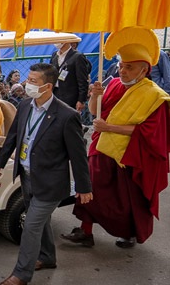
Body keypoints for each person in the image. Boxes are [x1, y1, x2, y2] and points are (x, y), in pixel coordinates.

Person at [61, 28, 170, 249]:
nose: (123, 71)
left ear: (144, 69)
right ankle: (85, 230)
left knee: (127, 198)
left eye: (129, 67)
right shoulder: (113, 84)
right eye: (121, 66)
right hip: (101, 146)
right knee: (89, 187)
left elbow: (148, 132)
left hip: (128, 153)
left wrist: (109, 127)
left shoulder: (154, 96)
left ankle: (128, 233)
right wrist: (94, 96)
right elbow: (94, 114)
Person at [0, 63, 92, 285]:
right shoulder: (26, 105)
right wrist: (1, 161)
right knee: (42, 222)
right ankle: (47, 257)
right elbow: (14, 135)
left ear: (48, 86)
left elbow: (78, 156)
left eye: (33, 81)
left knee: (31, 225)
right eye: (28, 79)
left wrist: (84, 187)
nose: (28, 84)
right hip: (27, 176)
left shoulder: (67, 116)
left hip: (51, 182)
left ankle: (21, 274)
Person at [50, 41, 90, 111]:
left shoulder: (77, 56)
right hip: (55, 92)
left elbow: (82, 80)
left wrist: (81, 100)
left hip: (70, 96)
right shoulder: (55, 55)